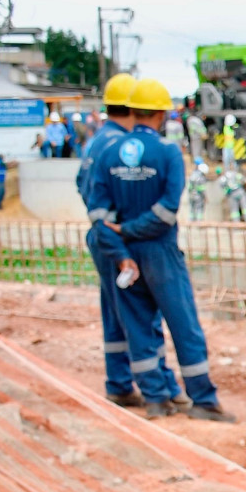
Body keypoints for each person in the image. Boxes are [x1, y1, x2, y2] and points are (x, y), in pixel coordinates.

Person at [84, 77, 235, 422]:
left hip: (124, 256)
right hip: (160, 252)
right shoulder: (168, 152)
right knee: (184, 326)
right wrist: (134, 230)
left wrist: (121, 248)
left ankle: (155, 399)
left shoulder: (106, 152)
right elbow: (167, 212)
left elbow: (98, 217)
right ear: (162, 113)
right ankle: (203, 401)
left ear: (132, 110)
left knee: (138, 328)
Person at [78, 73, 181, 408]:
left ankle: (122, 382)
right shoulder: (117, 145)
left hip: (107, 236)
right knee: (139, 314)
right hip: (121, 238)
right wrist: (122, 238)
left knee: (117, 311)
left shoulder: (100, 139)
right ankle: (155, 384)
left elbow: (87, 192)